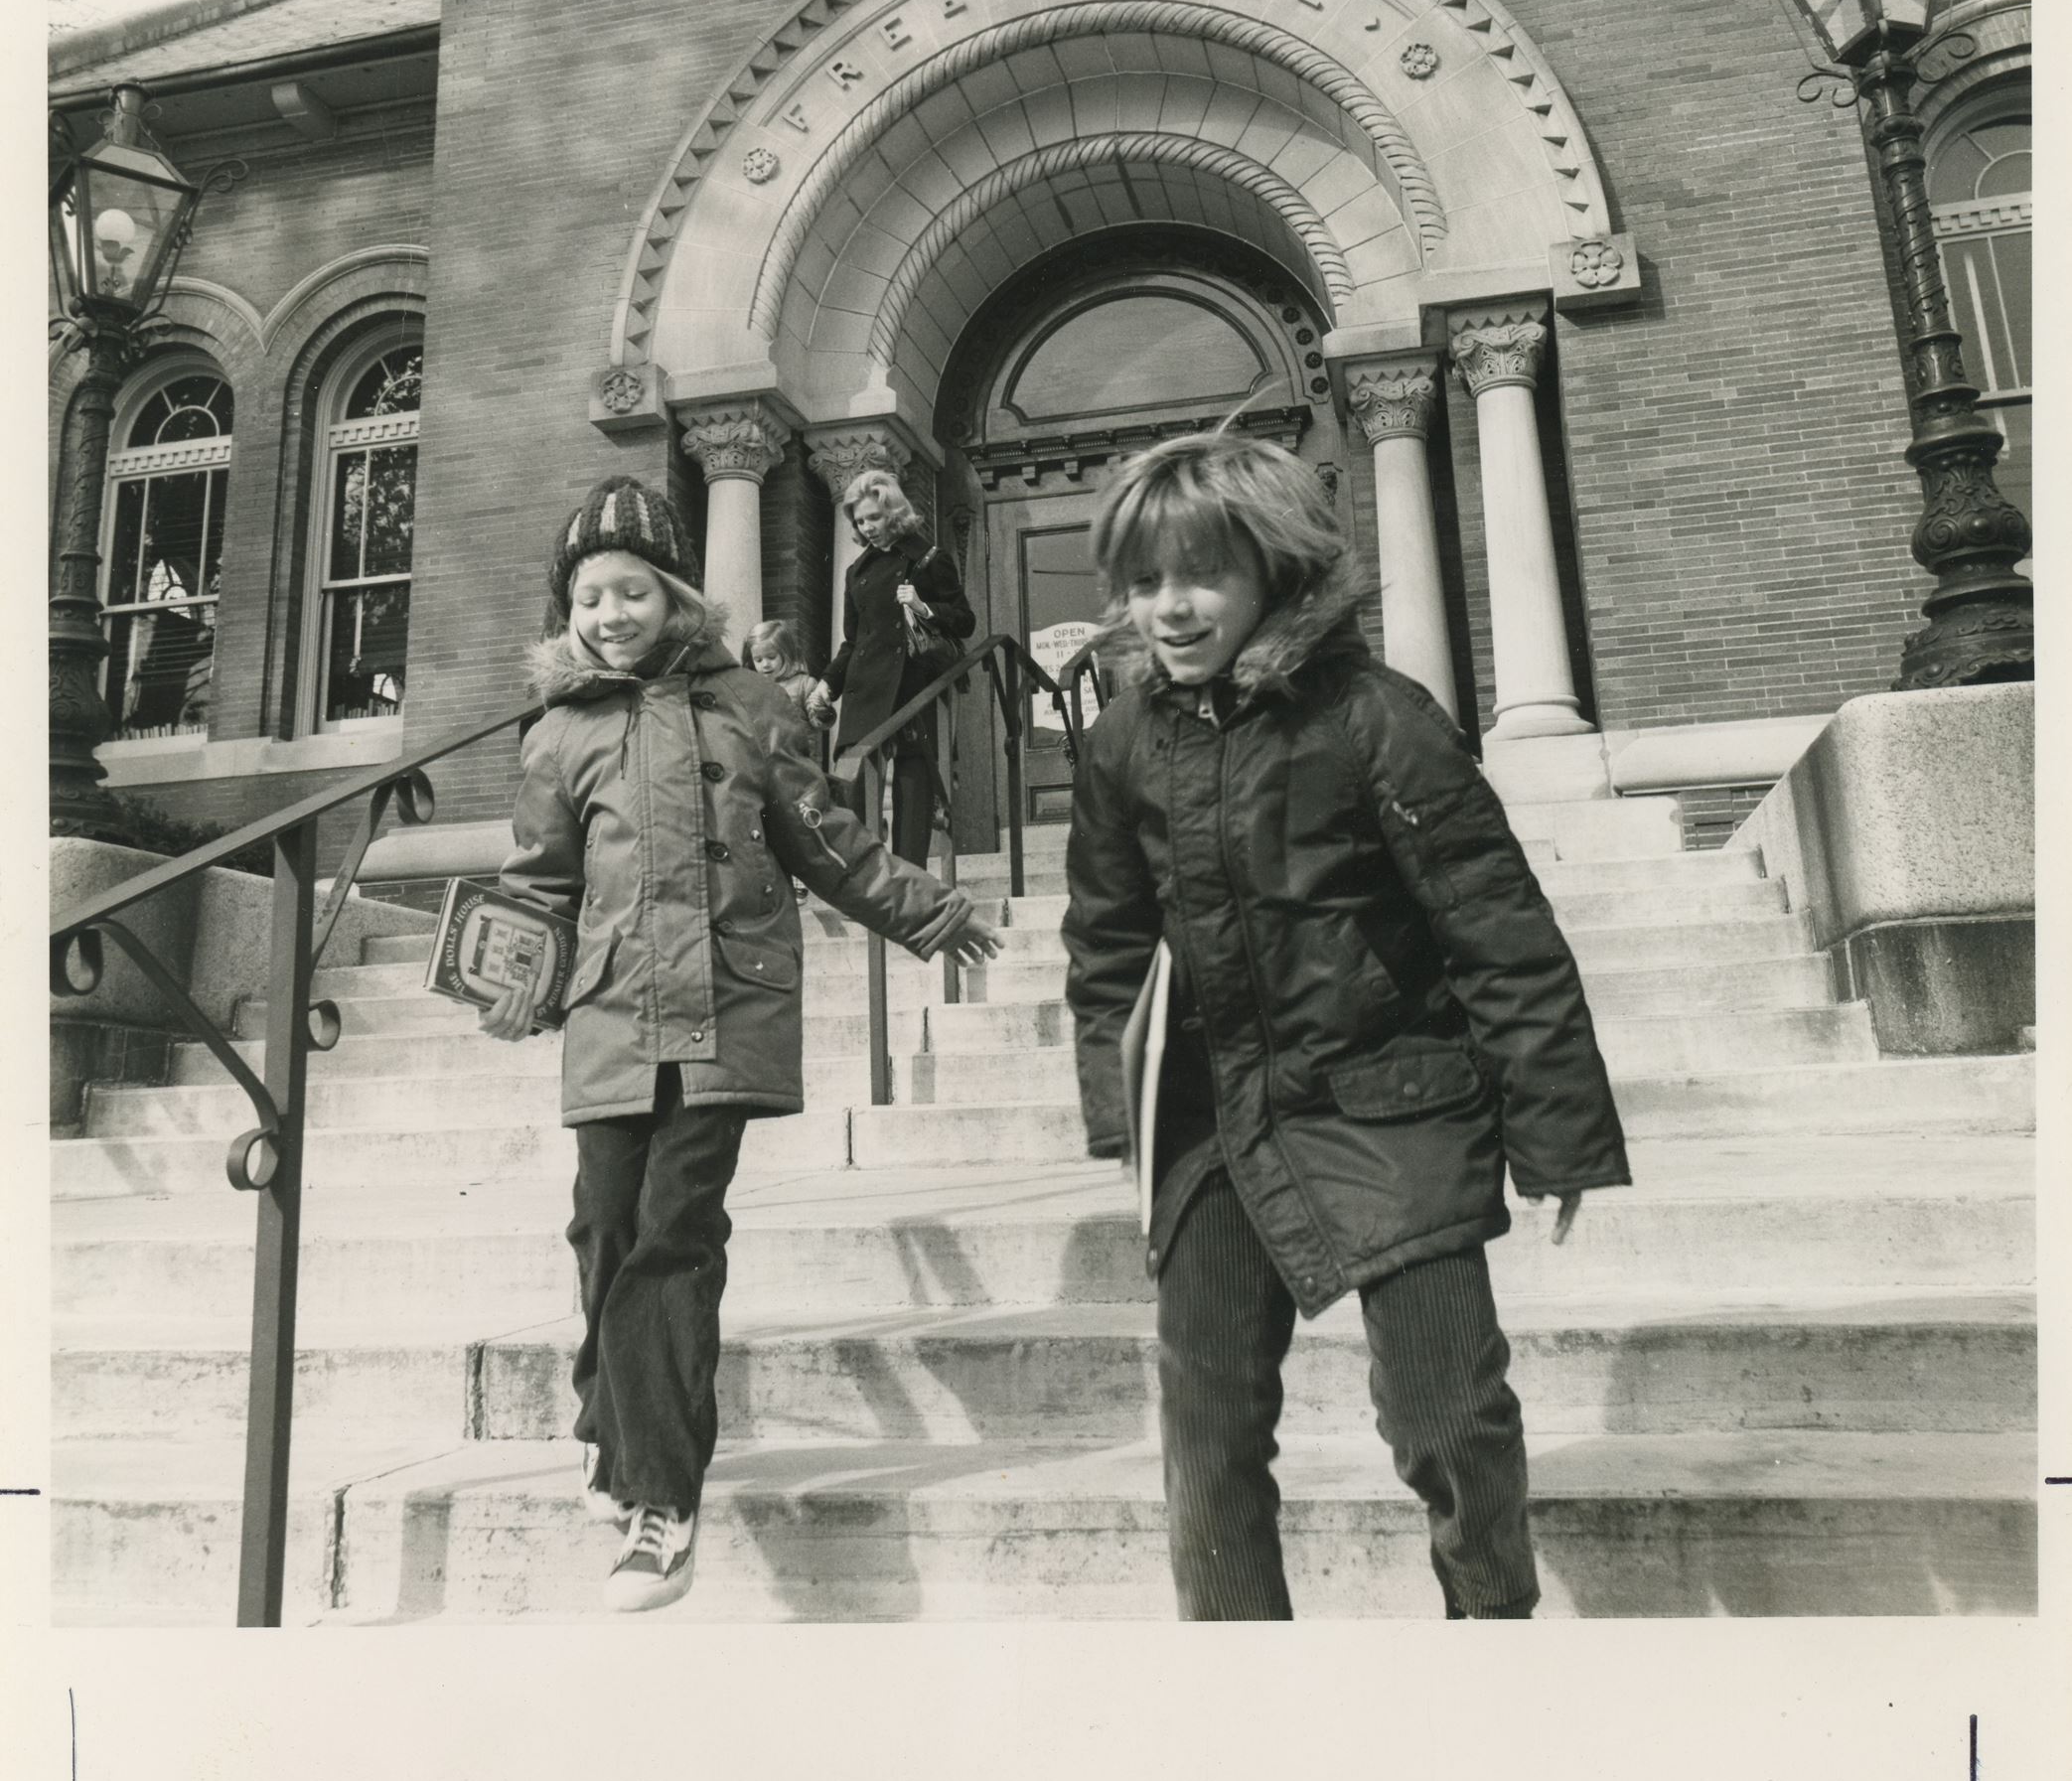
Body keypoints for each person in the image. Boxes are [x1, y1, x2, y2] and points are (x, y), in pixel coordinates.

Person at [1060, 431, 1629, 1621]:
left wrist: (1557, 1129)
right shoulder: (1122, 744)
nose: (1169, 607)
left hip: (1391, 1098)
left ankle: (1491, 1630)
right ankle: (1245, 1692)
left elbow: (1494, 924)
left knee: (1445, 1413)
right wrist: (1127, 1115)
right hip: (1215, 1120)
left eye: (1200, 574)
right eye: (1146, 579)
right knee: (1205, 1427)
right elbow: (1108, 943)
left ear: (1275, 569)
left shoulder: (1373, 716)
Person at [478, 476, 999, 1613]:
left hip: (725, 1007)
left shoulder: (755, 706)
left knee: (673, 1233)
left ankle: (662, 1499)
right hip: (613, 1012)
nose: (611, 612)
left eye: (631, 590)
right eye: (589, 597)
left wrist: (930, 911)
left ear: (674, 596)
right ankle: (604, 1415)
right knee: (605, 1225)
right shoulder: (560, 734)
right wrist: (504, 969)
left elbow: (831, 843)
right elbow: (540, 882)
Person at [805, 468, 974, 865]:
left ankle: (909, 881)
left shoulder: (930, 560)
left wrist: (924, 607)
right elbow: (852, 642)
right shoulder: (856, 572)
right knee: (856, 786)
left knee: (913, 790)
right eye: (860, 521)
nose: (867, 527)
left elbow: (965, 620)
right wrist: (828, 685)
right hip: (866, 689)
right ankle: (870, 882)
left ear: (893, 513)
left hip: (913, 685)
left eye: (874, 518)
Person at [742, 617, 818, 719]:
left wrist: (821, 711)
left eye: (771, 657)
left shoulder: (804, 685)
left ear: (786, 653)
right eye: (758, 660)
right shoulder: (752, 687)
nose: (765, 664)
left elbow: (819, 722)